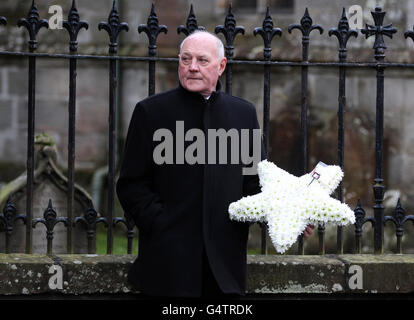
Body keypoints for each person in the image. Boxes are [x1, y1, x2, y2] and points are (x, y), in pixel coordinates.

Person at [116, 30, 313, 298]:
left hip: (225, 265)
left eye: (201, 60)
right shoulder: (151, 112)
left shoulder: (242, 114)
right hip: (168, 263)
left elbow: (257, 182)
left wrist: (290, 214)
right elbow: (131, 184)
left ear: (221, 66)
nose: (192, 67)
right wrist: (162, 224)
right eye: (186, 59)